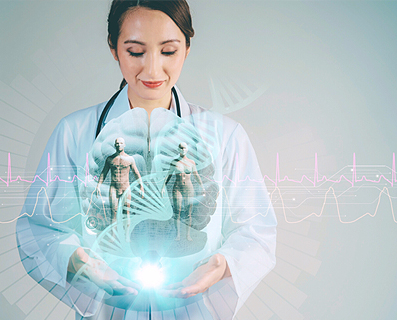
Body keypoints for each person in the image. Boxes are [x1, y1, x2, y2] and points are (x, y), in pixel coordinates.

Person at [16, 1, 276, 319]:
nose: (152, 70)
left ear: (188, 47)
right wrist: (81, 264)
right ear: (113, 48)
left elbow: (256, 231)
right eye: (136, 52)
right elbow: (39, 230)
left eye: (168, 51)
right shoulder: (75, 132)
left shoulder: (225, 136)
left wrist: (220, 266)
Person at [162, 142, 205, 241]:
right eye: (181, 148)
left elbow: (196, 175)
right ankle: (178, 235)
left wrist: (202, 186)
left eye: (184, 148)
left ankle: (188, 235)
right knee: (177, 212)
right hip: (177, 188)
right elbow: (169, 175)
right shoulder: (175, 162)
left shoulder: (191, 162)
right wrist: (163, 187)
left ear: (187, 149)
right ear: (178, 149)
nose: (183, 150)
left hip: (189, 188)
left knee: (188, 213)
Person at [96, 137, 144, 224]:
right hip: (114, 189)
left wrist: (141, 186)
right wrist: (98, 186)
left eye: (121, 143)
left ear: (124, 145)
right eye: (117, 143)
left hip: (126, 188)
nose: (119, 145)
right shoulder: (110, 159)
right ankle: (114, 237)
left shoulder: (130, 159)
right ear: (115, 145)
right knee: (113, 213)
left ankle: (126, 237)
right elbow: (104, 173)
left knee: (126, 213)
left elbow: (136, 173)